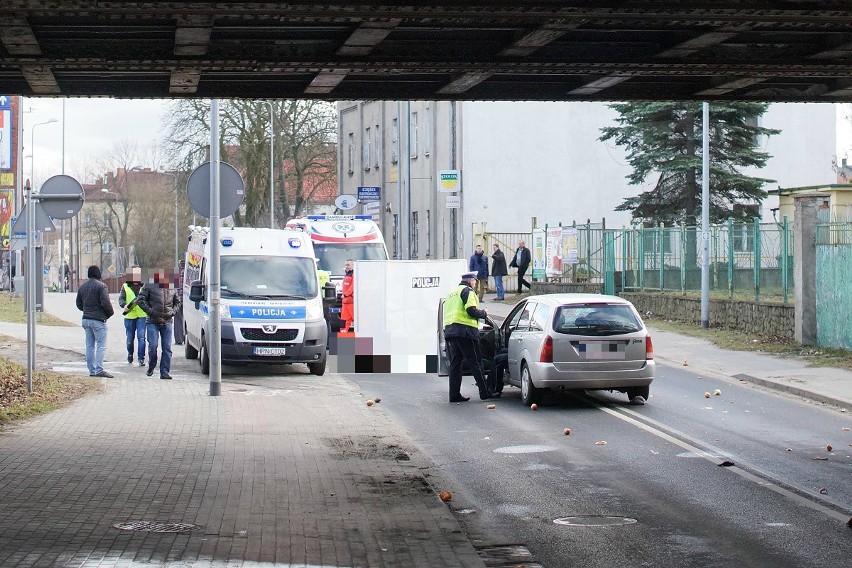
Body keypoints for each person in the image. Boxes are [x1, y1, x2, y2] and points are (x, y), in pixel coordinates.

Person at [443, 271, 496, 402]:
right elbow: (471, 310)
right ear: (470, 281)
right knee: (476, 362)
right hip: (465, 332)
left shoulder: (452, 293)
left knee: (455, 364)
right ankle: (485, 393)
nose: (476, 283)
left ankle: (454, 395)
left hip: (451, 332)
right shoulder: (468, 291)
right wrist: (484, 313)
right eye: (475, 281)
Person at [137, 268, 182, 380]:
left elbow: (178, 302)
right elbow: (140, 300)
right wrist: (150, 312)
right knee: (153, 346)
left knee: (167, 348)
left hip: (167, 321)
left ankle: (164, 371)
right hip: (153, 321)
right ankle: (152, 365)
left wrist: (172, 312)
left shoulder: (172, 287)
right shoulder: (149, 285)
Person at [75, 265, 115, 378]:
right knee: (101, 345)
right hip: (98, 320)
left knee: (89, 346)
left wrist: (86, 310)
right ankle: (99, 370)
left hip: (86, 320)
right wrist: (109, 314)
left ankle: (92, 370)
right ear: (98, 274)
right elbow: (106, 303)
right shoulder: (102, 286)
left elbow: (78, 304)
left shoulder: (83, 287)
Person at [119, 265, 146, 367]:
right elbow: (121, 299)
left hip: (142, 315)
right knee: (130, 339)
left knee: (141, 338)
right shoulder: (125, 286)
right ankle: (130, 354)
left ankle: (141, 359)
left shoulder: (144, 285)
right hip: (129, 316)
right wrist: (124, 305)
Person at [172, 260, 186, 345]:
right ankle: (187, 338)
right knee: (187, 319)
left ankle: (179, 339)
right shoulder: (189, 272)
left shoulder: (176, 273)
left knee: (178, 320)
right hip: (188, 300)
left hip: (177, 299)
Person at [340, 259, 355, 332]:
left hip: (351, 302)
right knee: (343, 321)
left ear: (353, 265)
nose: (346, 266)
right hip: (345, 302)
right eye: (346, 265)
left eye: (348, 265)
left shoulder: (353, 274)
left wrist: (346, 295)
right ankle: (343, 338)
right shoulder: (347, 274)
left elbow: (353, 287)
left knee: (359, 321)